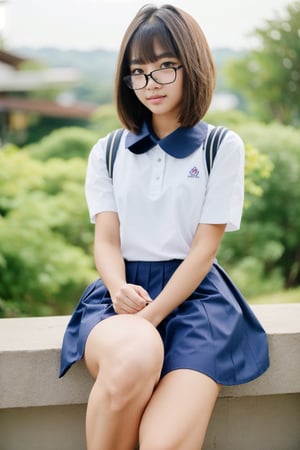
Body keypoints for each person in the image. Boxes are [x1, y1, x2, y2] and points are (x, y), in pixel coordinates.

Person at [59, 4, 269, 450]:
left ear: (191, 66)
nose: (150, 84)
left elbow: (203, 249)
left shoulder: (220, 146)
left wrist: (152, 318)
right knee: (134, 358)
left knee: (164, 443)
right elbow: (107, 240)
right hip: (122, 290)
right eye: (138, 71)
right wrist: (118, 290)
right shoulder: (109, 150)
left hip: (196, 300)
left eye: (164, 67)